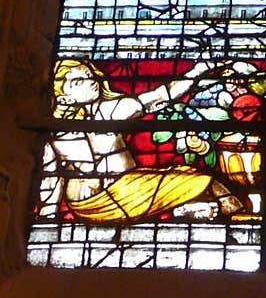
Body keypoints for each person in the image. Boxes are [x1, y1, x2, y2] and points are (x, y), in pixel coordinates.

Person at [38, 59, 243, 223]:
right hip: (97, 201)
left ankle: (183, 211)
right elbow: (51, 179)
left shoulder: (111, 109)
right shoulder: (55, 133)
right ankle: (232, 216)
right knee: (205, 181)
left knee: (186, 175)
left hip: (123, 190)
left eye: (89, 74)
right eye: (78, 82)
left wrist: (197, 71)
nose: (91, 80)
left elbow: (160, 96)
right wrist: (47, 221)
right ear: (64, 99)